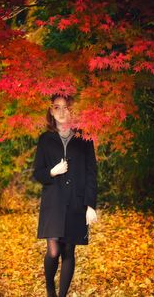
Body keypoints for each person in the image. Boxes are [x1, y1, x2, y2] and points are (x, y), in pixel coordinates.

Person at [32, 94, 98, 297]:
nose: (62, 112)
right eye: (57, 107)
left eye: (66, 107)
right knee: (53, 251)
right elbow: (37, 172)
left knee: (69, 250)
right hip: (53, 203)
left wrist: (90, 205)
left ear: (72, 110)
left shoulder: (84, 138)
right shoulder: (45, 139)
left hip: (76, 202)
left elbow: (91, 173)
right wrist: (53, 171)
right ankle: (50, 289)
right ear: (51, 111)